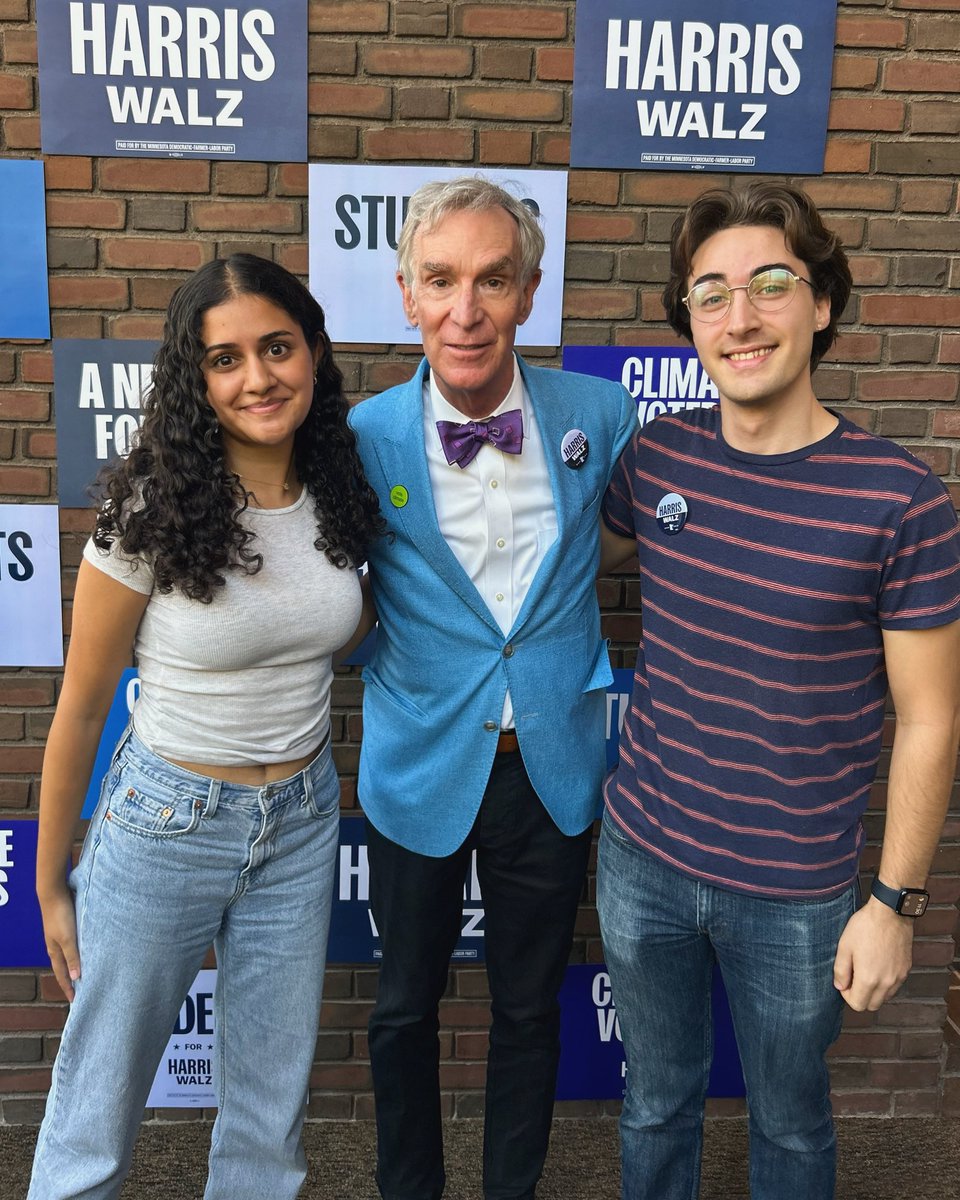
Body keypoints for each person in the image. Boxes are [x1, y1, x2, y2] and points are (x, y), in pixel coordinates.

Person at [598, 181, 960, 1199]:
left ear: (823, 303)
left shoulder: (900, 501)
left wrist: (894, 902)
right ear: (688, 321)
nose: (739, 318)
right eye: (710, 294)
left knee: (791, 1126)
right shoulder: (658, 454)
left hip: (797, 892)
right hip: (642, 857)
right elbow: (552, 569)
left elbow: (931, 716)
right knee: (654, 1104)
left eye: (769, 285)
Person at [29, 254, 383, 1200]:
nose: (257, 377)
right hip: (164, 825)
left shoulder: (341, 485)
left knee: (270, 1118)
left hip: (303, 819)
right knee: (95, 1114)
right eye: (225, 359)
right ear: (196, 378)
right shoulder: (148, 510)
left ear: (313, 350)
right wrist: (50, 878)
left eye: (277, 347)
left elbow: (346, 631)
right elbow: (83, 706)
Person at [348, 175, 637, 1200]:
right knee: (401, 1009)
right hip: (418, 761)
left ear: (529, 290)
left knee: (527, 1009)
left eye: (491, 280)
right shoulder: (360, 435)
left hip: (552, 767)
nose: (465, 310)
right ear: (407, 294)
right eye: (441, 281)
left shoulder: (603, 415)